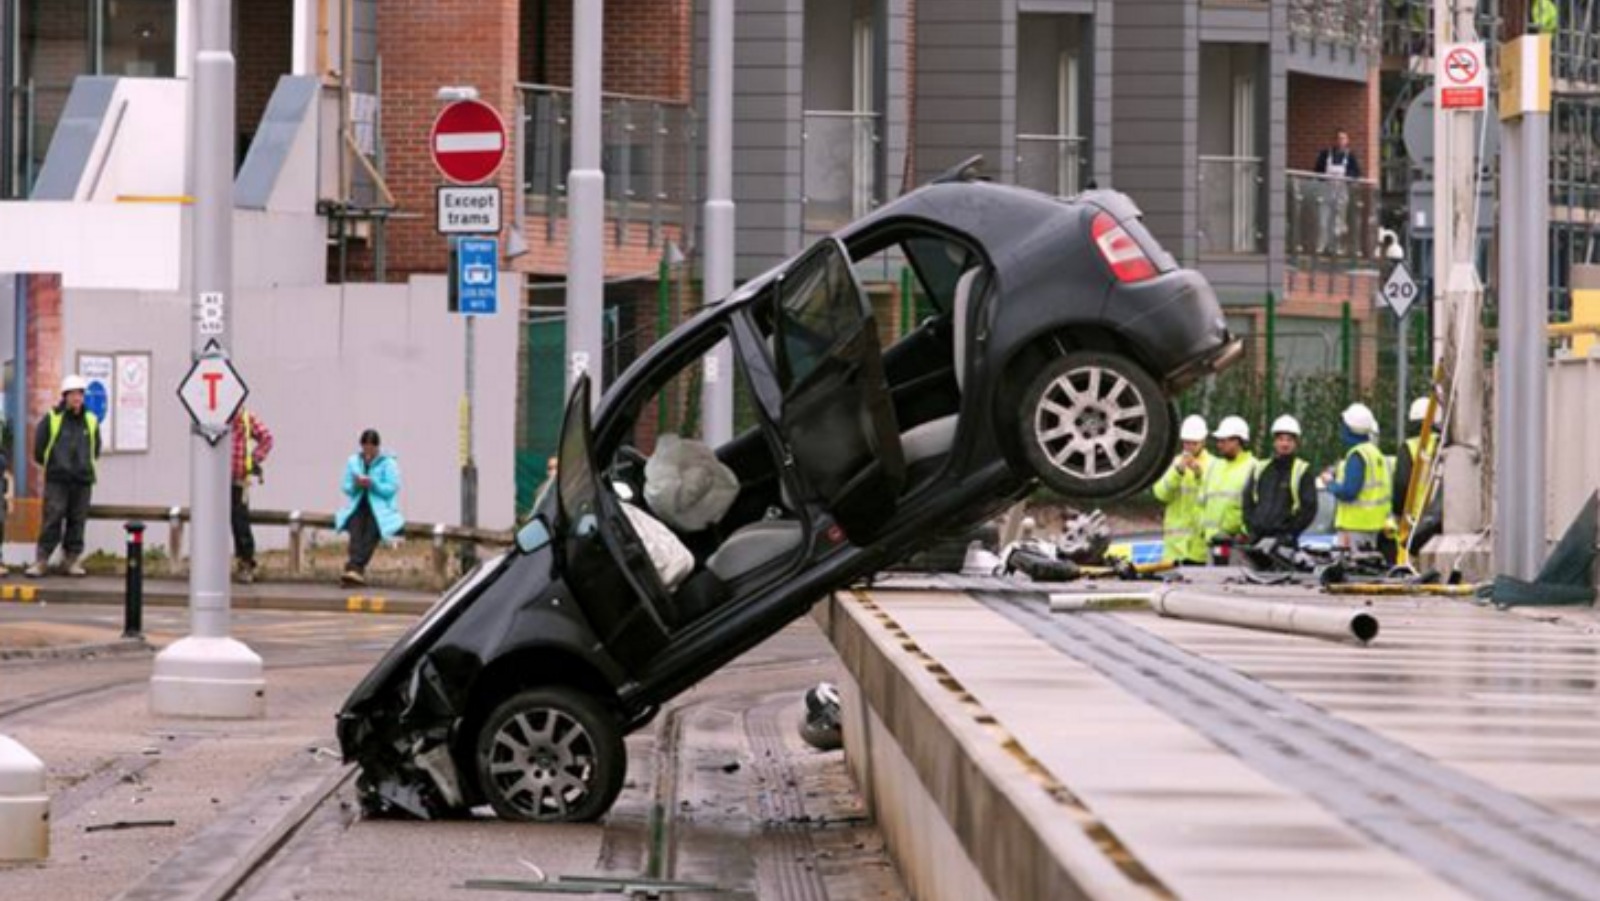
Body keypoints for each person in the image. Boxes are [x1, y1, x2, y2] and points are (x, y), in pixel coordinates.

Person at [26, 375, 101, 577]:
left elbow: (96, 448)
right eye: (73, 394)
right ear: (65, 396)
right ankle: (42, 560)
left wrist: (85, 467)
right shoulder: (53, 418)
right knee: (53, 517)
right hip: (57, 480)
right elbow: (39, 450)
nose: (77, 398)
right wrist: (56, 467)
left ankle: (71, 560)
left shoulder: (91, 420)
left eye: (80, 394)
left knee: (78, 520)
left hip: (83, 480)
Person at [335, 429, 404, 586]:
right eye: (365, 446)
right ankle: (355, 571)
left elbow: (392, 488)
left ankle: (353, 568)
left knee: (372, 532)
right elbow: (346, 487)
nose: (368, 451)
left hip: (380, 507)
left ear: (377, 447)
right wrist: (356, 484)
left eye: (371, 447)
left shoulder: (388, 463)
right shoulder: (354, 462)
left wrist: (373, 484)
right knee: (356, 530)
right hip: (358, 504)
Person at [1243, 415, 1318, 545]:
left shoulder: (1302, 470)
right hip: (1257, 539)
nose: (1285, 444)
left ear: (1296, 443)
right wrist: (1252, 527)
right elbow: (1248, 500)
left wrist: (1290, 533)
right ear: (1274, 442)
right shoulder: (1261, 468)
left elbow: (1309, 507)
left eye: (1289, 440)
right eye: (1281, 439)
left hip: (1284, 542)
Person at [1326, 403, 1391, 551]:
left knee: (1349, 571)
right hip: (1373, 527)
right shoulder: (1375, 454)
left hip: (1354, 528)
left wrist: (1330, 484)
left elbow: (1349, 492)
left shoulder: (1357, 455)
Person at [1152, 415, 1212, 564]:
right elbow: (1161, 494)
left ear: (1203, 441)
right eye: (1186, 443)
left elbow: (1214, 498)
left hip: (1199, 549)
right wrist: (1177, 472)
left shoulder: (1214, 465)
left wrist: (1199, 475)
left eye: (1194, 443)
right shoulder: (1174, 463)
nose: (1189, 447)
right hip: (1174, 549)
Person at [1198, 415, 1257, 554]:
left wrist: (1243, 534)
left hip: (1237, 546)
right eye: (1219, 441)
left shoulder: (1253, 467)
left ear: (1237, 441)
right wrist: (1203, 530)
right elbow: (1202, 502)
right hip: (1211, 543)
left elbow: (1257, 507)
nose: (1219, 445)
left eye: (1223, 441)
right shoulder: (1214, 467)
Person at [1392, 395, 1443, 556]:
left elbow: (1401, 485)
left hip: (1416, 522)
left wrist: (1399, 513)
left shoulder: (1409, 448)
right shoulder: (1447, 444)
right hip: (1442, 520)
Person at [231, 408, 275, 584]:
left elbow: (267, 438)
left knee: (239, 521)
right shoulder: (214, 415)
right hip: (214, 481)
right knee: (213, 524)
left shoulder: (245, 417)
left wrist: (254, 459)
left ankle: (246, 562)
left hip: (239, 479)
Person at [1313, 128, 1363, 254]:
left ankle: (1336, 247)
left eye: (1343, 138)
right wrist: (1323, 178)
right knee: (1323, 220)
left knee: (1339, 221)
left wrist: (1348, 177)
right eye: (1338, 138)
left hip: (1342, 191)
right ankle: (1321, 246)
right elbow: (1317, 170)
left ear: (1347, 141)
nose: (1340, 141)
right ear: (1334, 140)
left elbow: (1357, 173)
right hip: (1327, 190)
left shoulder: (1350, 156)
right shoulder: (1326, 154)